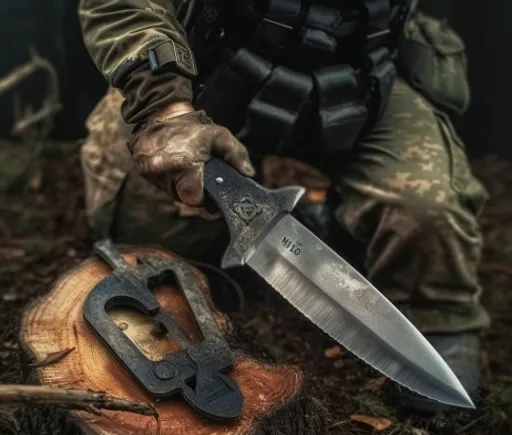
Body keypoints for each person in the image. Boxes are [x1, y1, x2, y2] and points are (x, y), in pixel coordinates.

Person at [78, 0, 490, 410]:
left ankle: (438, 315)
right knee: (150, 234)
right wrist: (164, 108)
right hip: (205, 68)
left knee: (425, 214)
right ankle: (236, 233)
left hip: (362, 79)